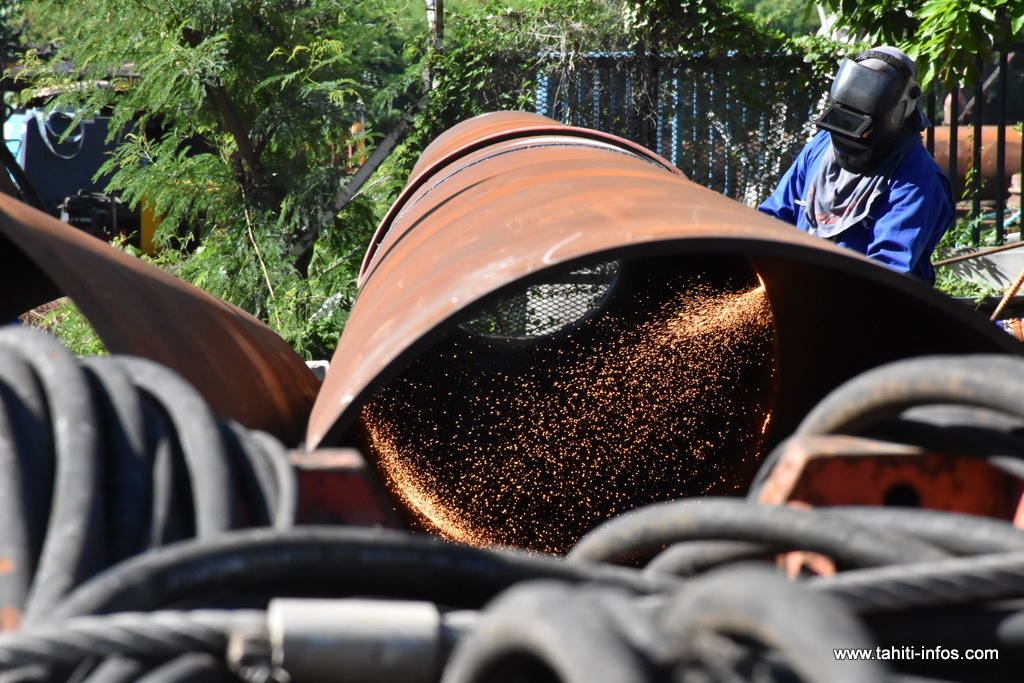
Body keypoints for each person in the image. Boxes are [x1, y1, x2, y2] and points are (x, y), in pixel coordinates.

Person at [758, 46, 954, 285]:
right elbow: (775, 215)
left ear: (893, 119)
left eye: (864, 129)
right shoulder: (821, 146)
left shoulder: (917, 179)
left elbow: (888, 272)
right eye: (844, 124)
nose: (853, 137)